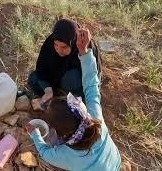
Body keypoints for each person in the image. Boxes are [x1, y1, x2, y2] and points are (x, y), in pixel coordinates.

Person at [25, 28, 122, 170]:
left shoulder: (65, 155)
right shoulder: (95, 119)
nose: (59, 50)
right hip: (115, 161)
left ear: (60, 134)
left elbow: (45, 153)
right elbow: (91, 84)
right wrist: (84, 51)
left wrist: (35, 134)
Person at [28, 19, 102, 110]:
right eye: (56, 45)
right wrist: (48, 90)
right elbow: (41, 69)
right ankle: (56, 96)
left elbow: (92, 81)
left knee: (71, 78)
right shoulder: (51, 41)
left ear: (73, 42)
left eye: (64, 47)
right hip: (56, 83)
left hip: (76, 87)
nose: (59, 50)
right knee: (33, 77)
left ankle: (67, 100)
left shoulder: (84, 46)